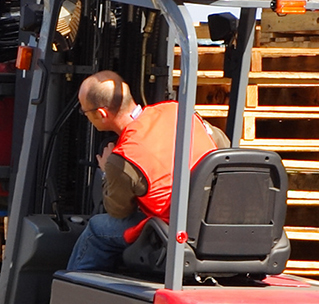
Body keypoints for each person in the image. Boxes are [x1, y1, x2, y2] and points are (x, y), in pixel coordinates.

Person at [65, 71, 230, 272]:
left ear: (101, 114)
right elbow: (222, 143)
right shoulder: (176, 110)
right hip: (215, 221)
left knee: (97, 228)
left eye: (85, 112)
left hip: (171, 232)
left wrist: (106, 171)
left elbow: (118, 210)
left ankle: (71, 299)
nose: (85, 115)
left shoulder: (123, 158)